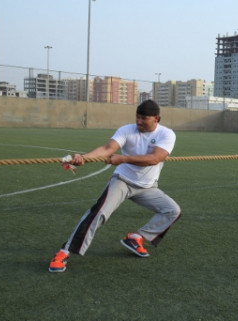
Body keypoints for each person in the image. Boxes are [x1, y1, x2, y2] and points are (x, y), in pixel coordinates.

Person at [48, 100, 181, 273]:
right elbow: (107, 148)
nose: (139, 121)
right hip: (123, 181)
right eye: (137, 117)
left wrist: (123, 158)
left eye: (144, 118)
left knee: (172, 210)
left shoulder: (167, 134)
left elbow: (155, 158)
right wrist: (84, 158)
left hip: (148, 187)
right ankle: (64, 252)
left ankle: (137, 237)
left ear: (156, 118)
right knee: (99, 213)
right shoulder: (127, 130)